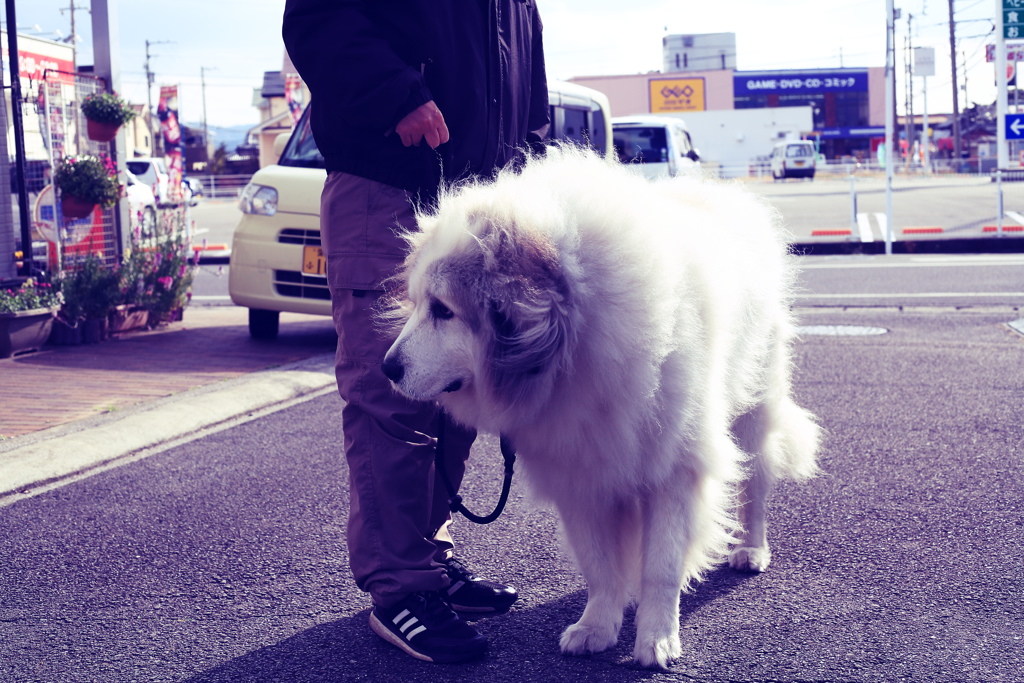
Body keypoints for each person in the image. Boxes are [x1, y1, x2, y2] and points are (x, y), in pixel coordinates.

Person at [282, 0, 549, 664]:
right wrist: (397, 95)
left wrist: (531, 171)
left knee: (457, 389)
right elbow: (317, 19)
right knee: (393, 391)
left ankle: (427, 562)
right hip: (388, 185)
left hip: (474, 199)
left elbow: (530, 91)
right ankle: (400, 586)